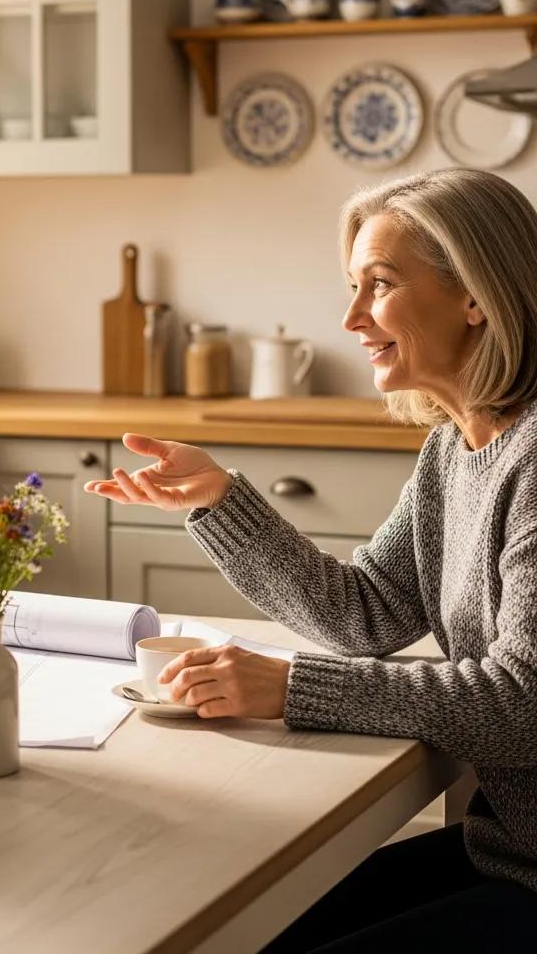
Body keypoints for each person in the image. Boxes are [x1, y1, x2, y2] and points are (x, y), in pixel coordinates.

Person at [84, 168, 537, 950]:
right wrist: (217, 502)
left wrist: (290, 686)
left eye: (380, 285)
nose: (351, 316)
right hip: (505, 852)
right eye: (352, 287)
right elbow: (365, 614)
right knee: (247, 928)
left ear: (475, 295)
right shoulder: (453, 450)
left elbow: (523, 706)